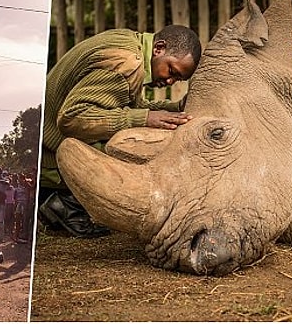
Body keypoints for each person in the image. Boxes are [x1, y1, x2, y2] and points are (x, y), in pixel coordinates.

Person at [38, 24, 202, 239]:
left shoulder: (128, 42)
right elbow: (72, 118)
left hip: (41, 141)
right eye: (171, 71)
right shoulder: (127, 64)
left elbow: (124, 106)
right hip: (45, 154)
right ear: (159, 48)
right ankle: (64, 202)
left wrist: (174, 109)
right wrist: (143, 119)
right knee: (134, 146)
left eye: (177, 79)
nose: (169, 81)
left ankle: (57, 198)